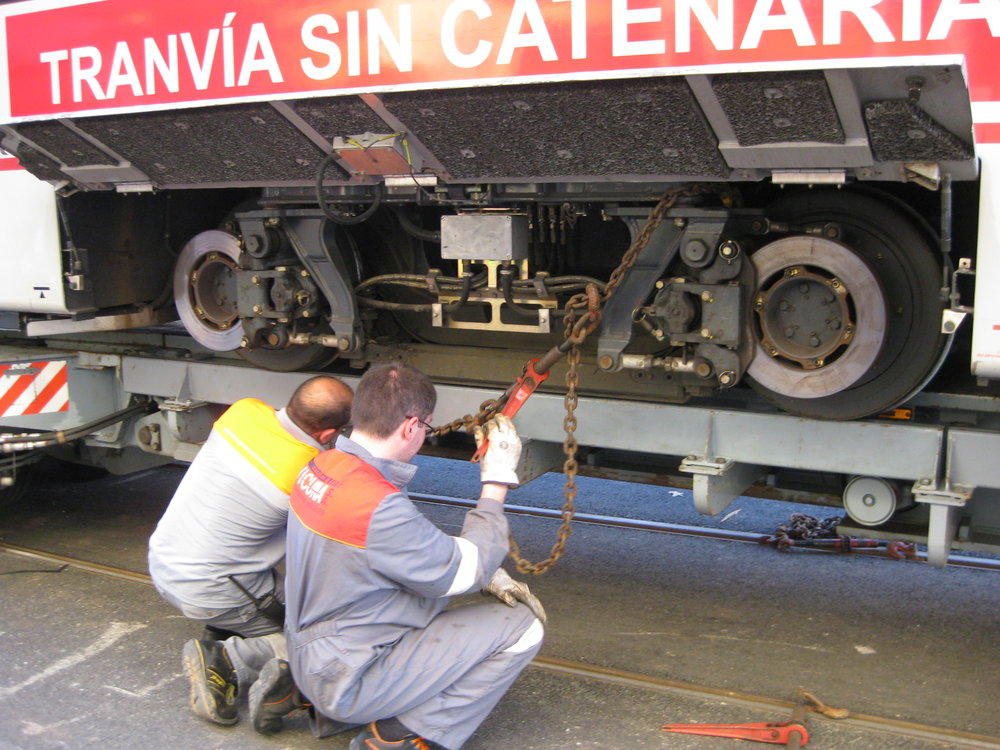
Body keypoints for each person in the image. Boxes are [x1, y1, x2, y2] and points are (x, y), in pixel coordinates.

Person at [250, 363, 545, 749]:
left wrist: (484, 571)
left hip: (311, 650)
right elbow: (461, 571)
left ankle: (300, 690)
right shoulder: (376, 505)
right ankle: (400, 736)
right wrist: (496, 482)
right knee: (523, 627)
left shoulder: (321, 466)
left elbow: (387, 546)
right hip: (345, 673)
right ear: (411, 427)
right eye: (425, 427)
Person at [147, 375, 353, 726]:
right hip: (214, 589)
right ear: (326, 435)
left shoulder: (242, 412)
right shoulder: (307, 475)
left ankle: (228, 627)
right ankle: (226, 658)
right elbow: (324, 555)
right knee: (332, 642)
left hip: (164, 562)